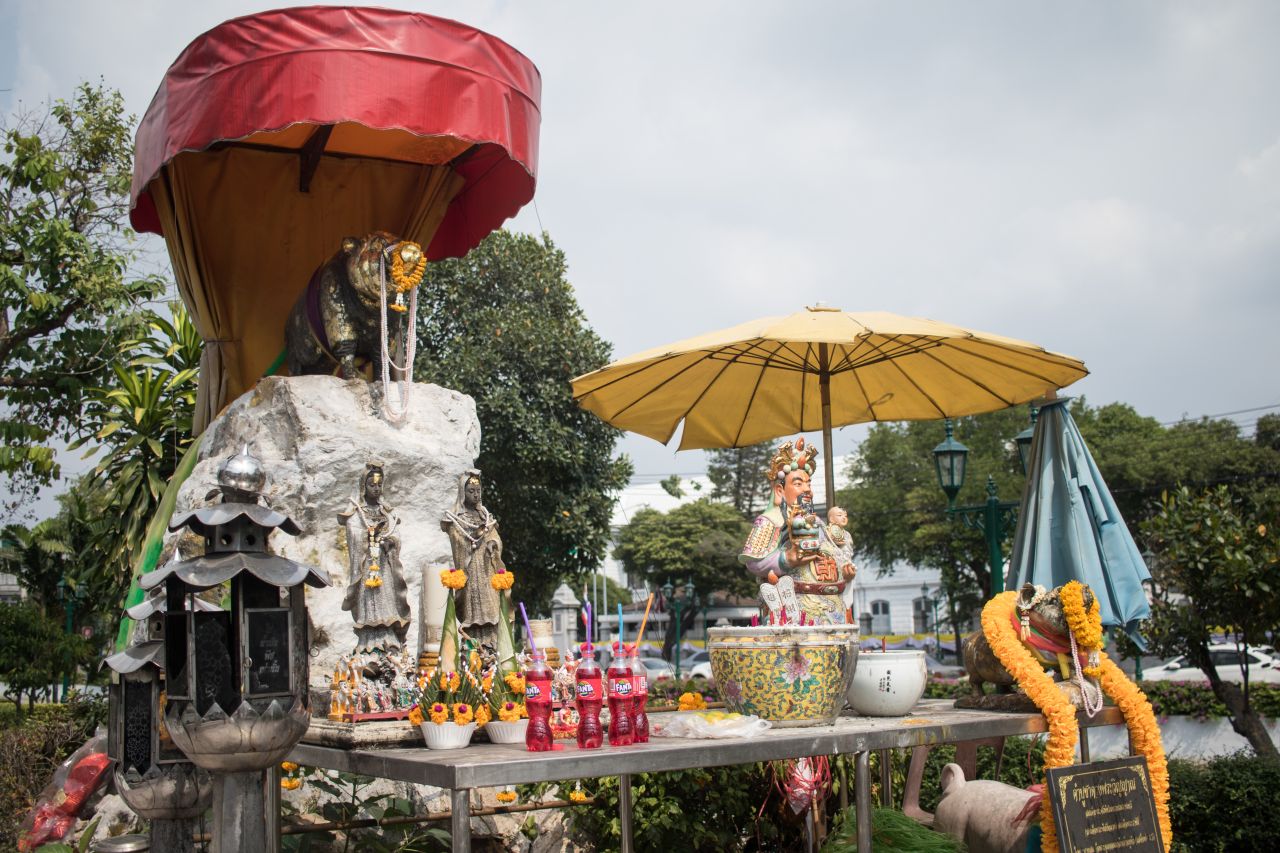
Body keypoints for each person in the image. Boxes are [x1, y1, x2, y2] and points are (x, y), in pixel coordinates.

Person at [739, 437, 856, 624]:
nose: (807, 490)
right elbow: (754, 562)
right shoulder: (770, 521)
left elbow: (832, 554)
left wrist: (845, 572)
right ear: (780, 491)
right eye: (798, 483)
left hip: (834, 608)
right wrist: (787, 558)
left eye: (809, 484)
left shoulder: (818, 523)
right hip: (795, 608)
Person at [340, 463, 412, 654]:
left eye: (379, 485)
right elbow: (353, 532)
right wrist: (369, 535)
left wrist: (390, 541)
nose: (376, 488)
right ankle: (370, 641)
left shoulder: (386, 511)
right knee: (369, 598)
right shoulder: (357, 512)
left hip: (384, 565)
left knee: (387, 599)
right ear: (364, 485)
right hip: (368, 566)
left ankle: (389, 638)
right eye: (372, 485)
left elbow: (396, 533)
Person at [442, 470, 507, 651]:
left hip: (486, 568)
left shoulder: (485, 516)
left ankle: (492, 643)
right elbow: (456, 537)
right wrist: (472, 540)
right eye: (471, 491)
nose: (476, 495)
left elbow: (495, 536)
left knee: (491, 606)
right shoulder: (457, 518)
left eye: (478, 490)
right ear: (463, 492)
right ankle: (473, 643)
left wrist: (493, 544)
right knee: (473, 608)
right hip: (470, 569)